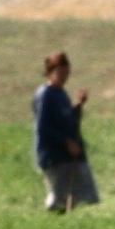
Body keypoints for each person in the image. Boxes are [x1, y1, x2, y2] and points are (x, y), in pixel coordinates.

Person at [33, 52, 97, 212]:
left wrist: (78, 105)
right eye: (60, 73)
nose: (64, 77)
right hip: (55, 155)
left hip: (69, 154)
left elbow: (67, 120)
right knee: (59, 197)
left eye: (66, 73)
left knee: (83, 194)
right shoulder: (45, 95)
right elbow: (43, 127)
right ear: (50, 72)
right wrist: (67, 142)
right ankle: (52, 222)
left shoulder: (60, 93)